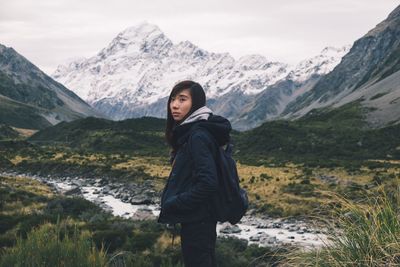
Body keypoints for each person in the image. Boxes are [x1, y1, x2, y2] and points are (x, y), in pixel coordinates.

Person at [157, 80, 232, 267]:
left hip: (198, 219)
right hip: (200, 218)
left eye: (182, 99)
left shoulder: (197, 135)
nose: (174, 105)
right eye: (172, 99)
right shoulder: (192, 131)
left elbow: (208, 182)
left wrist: (175, 203)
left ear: (196, 103)